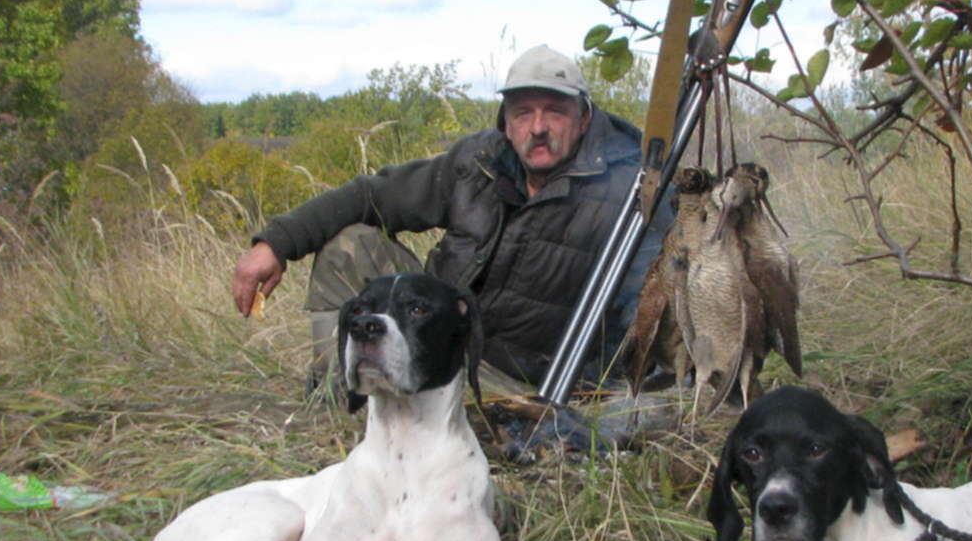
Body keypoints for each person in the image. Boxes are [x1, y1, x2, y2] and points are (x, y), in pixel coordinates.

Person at [232, 44, 673, 396]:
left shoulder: (633, 190)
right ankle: (341, 392)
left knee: (487, 420)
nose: (537, 127)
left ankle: (449, 410)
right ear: (505, 123)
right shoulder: (478, 161)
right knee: (351, 245)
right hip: (432, 335)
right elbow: (372, 194)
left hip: (523, 381)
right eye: (523, 113)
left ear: (584, 119)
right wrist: (274, 243)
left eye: (554, 112)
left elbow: (653, 317)